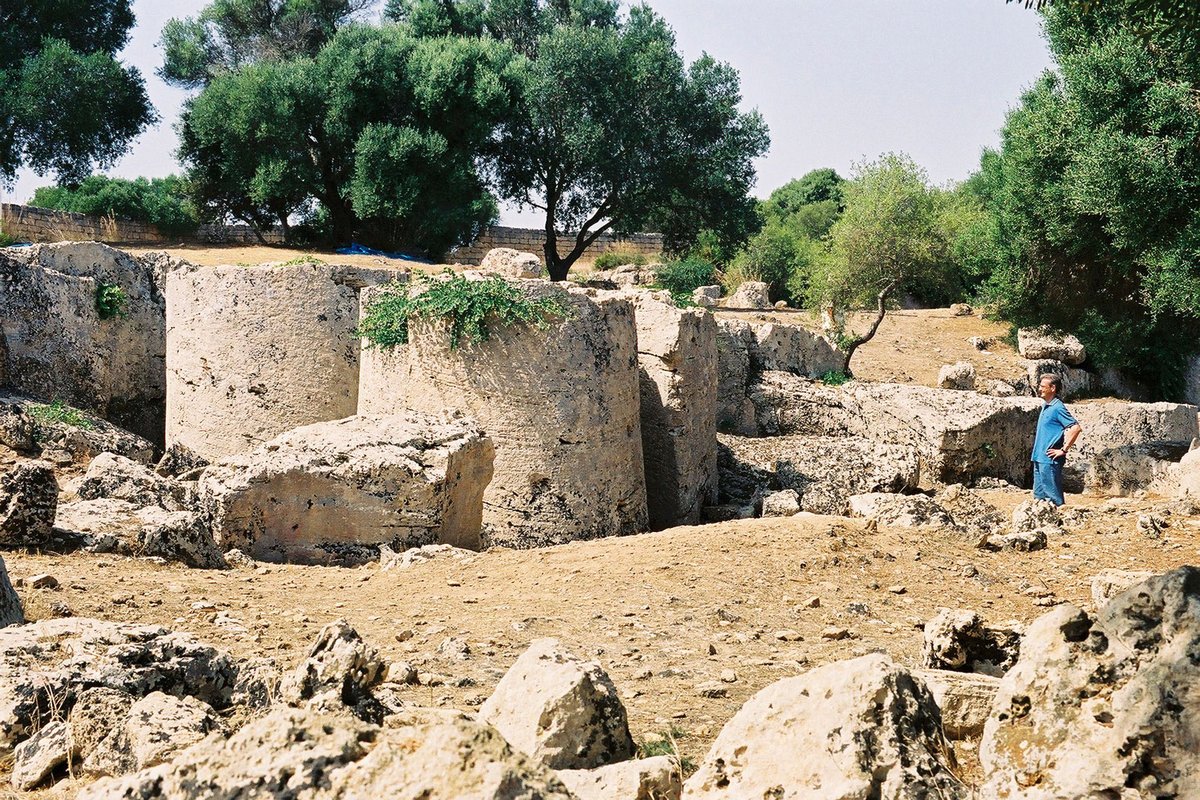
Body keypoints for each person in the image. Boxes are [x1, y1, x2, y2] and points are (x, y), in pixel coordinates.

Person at [1031, 373, 1082, 506]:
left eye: (1043, 386)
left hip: (1049, 460)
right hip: (1039, 458)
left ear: (1052, 388)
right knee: (1038, 498)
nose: (1039, 389)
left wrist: (1063, 450)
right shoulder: (1046, 405)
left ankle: (1059, 523)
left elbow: (1075, 428)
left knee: (1053, 499)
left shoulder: (1057, 407)